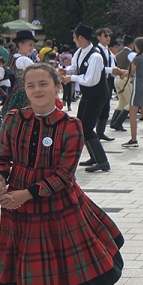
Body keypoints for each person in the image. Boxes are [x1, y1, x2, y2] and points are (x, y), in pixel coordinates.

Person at [0, 63, 124, 285]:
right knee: (24, 249)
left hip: (58, 197)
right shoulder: (14, 119)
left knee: (70, 253)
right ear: (24, 89)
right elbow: (1, 156)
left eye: (43, 84)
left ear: (57, 87)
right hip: (18, 196)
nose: (37, 90)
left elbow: (65, 174)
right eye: (31, 85)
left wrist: (27, 194)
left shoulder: (70, 125)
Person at [60, 24, 111, 173]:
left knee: (87, 127)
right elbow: (75, 68)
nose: (73, 40)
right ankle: (94, 157)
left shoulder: (95, 56)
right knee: (81, 126)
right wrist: (65, 71)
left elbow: (90, 80)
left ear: (80, 37)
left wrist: (71, 78)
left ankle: (103, 161)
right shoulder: (79, 52)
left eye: (74, 37)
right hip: (88, 94)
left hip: (97, 95)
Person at [0, 31, 38, 143]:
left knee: (15, 116)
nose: (32, 48)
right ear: (21, 45)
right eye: (30, 45)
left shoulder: (17, 58)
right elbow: (39, 73)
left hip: (19, 91)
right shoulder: (24, 60)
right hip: (24, 93)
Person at [122, 38, 143, 148]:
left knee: (132, 113)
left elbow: (131, 72)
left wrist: (120, 72)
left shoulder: (137, 59)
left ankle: (133, 139)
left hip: (138, 86)